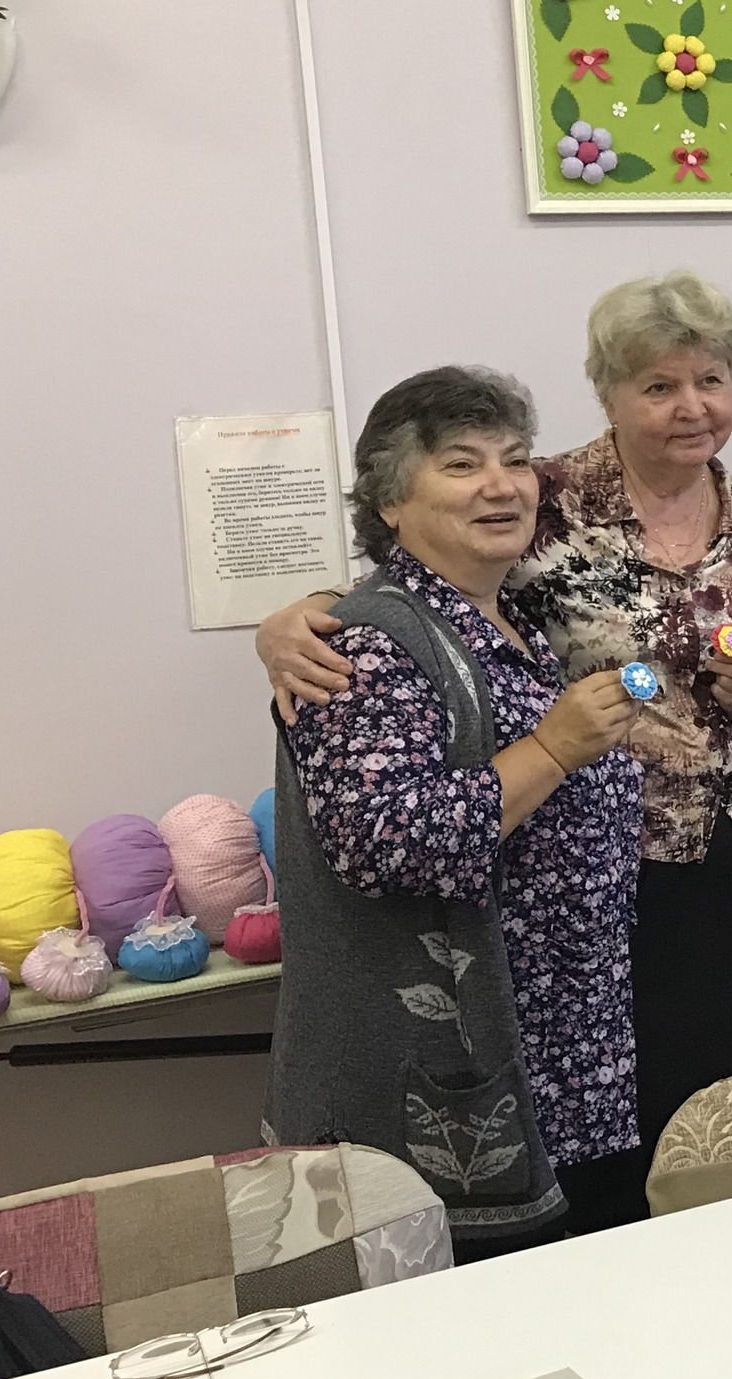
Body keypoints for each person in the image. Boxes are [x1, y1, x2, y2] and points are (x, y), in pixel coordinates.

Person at [257, 272, 732, 1207]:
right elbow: (404, 595)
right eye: (659, 385)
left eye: (711, 380)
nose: (691, 406)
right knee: (632, 1161)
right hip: (612, 896)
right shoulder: (540, 505)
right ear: (609, 394)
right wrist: (296, 618)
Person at [267, 367, 646, 1245]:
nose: (502, 484)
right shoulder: (367, 643)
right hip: (464, 1080)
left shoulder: (503, 616)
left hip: (563, 1059)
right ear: (391, 501)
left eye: (515, 458)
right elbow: (387, 840)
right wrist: (553, 747)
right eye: (462, 464)